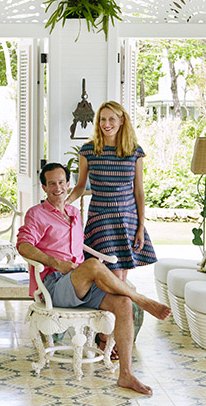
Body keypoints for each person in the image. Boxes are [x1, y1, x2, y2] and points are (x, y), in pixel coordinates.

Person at [18, 162, 172, 396]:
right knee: (92, 265)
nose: (58, 188)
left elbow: (80, 247)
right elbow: (23, 246)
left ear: (68, 184)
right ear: (44, 187)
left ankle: (126, 374)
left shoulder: (73, 213)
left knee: (123, 303)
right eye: (52, 184)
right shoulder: (36, 214)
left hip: (80, 283)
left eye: (62, 182)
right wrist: (55, 262)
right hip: (54, 285)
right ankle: (142, 299)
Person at [69, 101, 157, 281]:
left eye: (111, 119)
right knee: (113, 272)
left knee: (122, 273)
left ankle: (120, 300)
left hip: (127, 218)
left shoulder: (134, 151)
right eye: (102, 119)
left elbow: (139, 192)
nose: (106, 124)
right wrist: (64, 202)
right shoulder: (88, 150)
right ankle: (125, 299)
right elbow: (80, 186)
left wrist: (141, 227)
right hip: (101, 218)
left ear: (122, 120)